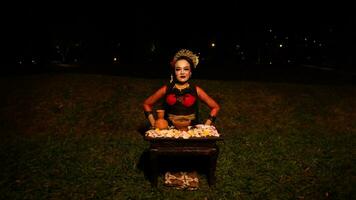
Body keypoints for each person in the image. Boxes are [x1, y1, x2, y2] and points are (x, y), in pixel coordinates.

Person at [143, 49, 220, 129]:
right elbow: (146, 104)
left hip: (191, 134)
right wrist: (153, 123)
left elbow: (215, 107)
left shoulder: (196, 90)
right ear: (174, 72)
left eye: (186, 69)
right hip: (170, 133)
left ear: (190, 73)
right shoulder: (166, 89)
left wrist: (206, 126)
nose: (182, 72)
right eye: (178, 69)